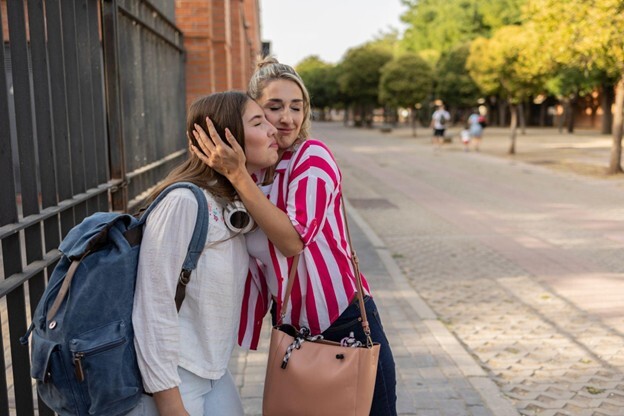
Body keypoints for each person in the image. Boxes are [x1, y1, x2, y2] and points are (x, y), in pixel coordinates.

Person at [191, 57, 398, 415]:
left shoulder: (311, 158)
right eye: (274, 107)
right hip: (292, 330)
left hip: (343, 321)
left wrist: (238, 175)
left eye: (296, 106)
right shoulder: (257, 172)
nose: (287, 118)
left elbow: (292, 242)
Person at [128, 91, 279, 416]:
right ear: (226, 138)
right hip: (175, 378)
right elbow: (151, 307)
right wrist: (171, 406)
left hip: (213, 370)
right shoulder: (184, 202)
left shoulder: (232, 201)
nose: (272, 130)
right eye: (258, 122)